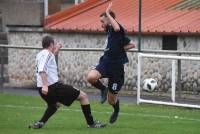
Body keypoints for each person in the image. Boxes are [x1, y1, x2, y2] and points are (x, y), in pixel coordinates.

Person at [28, 35, 106, 129]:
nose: (55, 45)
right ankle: (91, 123)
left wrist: (57, 48)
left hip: (40, 88)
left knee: (54, 104)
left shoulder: (40, 54)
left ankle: (40, 123)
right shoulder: (47, 54)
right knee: (83, 96)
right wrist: (45, 85)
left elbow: (51, 57)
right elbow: (42, 69)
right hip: (52, 87)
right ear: (51, 44)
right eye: (55, 43)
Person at [87, 3, 135, 124]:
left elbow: (132, 43)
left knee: (111, 100)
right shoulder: (110, 32)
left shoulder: (118, 30)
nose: (101, 24)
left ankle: (116, 110)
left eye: (103, 21)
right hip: (105, 62)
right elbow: (130, 44)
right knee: (91, 77)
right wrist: (118, 48)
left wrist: (108, 12)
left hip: (117, 69)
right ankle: (103, 89)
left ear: (110, 20)